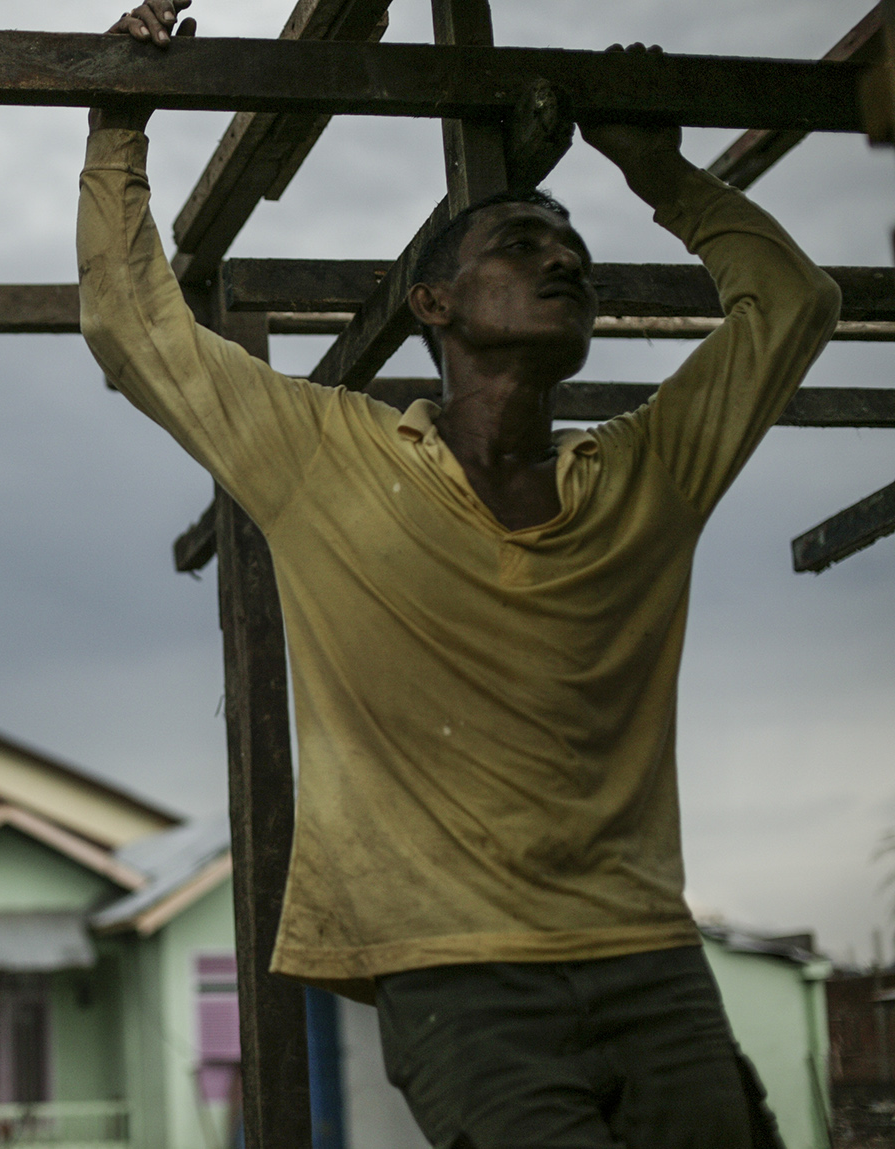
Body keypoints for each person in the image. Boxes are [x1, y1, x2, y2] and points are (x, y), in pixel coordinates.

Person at [78, 3, 840, 1145]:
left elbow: (793, 303)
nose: (565, 257)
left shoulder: (647, 474)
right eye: (522, 245)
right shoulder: (327, 459)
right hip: (456, 975)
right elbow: (135, 327)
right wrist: (118, 122)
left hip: (647, 954)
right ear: (432, 304)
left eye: (572, 245)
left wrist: (662, 173)